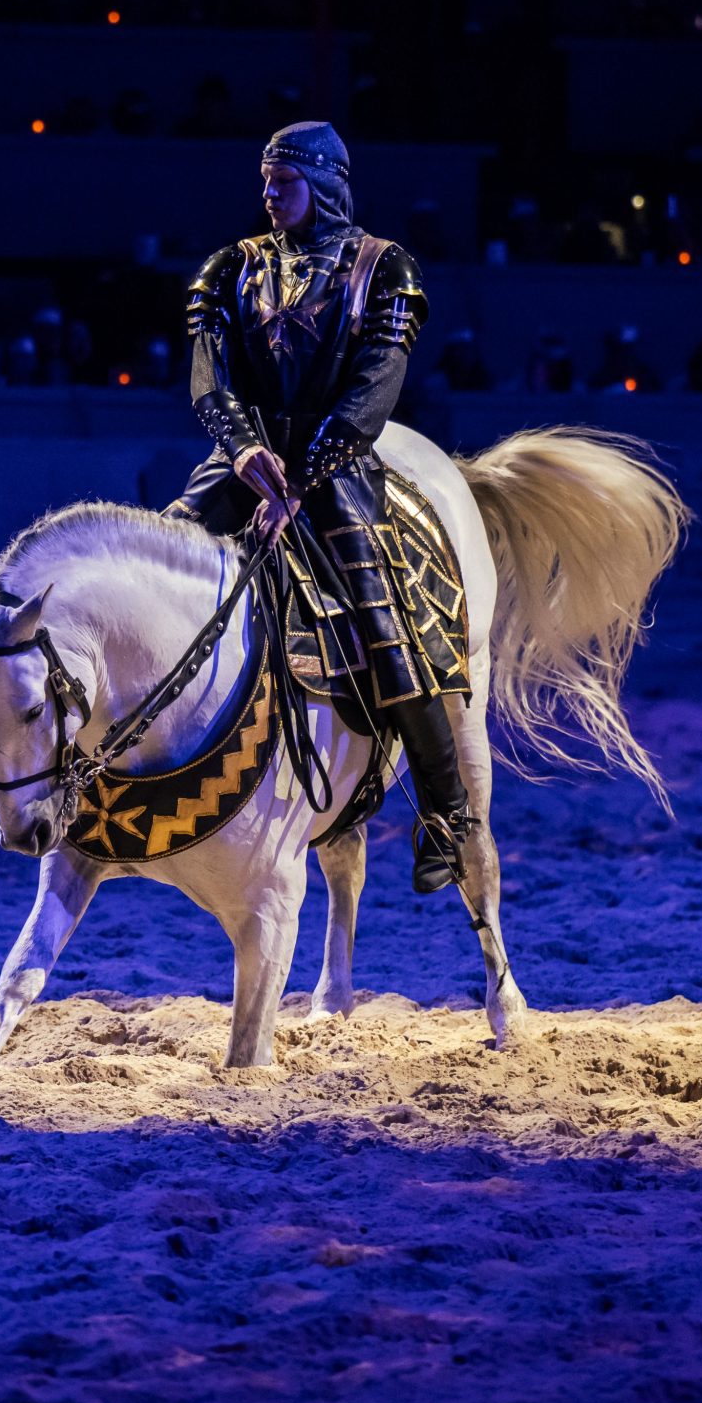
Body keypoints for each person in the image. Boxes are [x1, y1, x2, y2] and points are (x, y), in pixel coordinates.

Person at [165, 121, 478, 894]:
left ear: (327, 184)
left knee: (388, 621)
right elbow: (211, 380)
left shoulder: (385, 271)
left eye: (285, 183)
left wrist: (301, 479)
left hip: (334, 468)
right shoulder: (228, 269)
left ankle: (446, 814)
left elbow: (372, 393)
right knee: (157, 559)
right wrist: (244, 453)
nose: (269, 197)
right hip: (245, 459)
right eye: (265, 183)